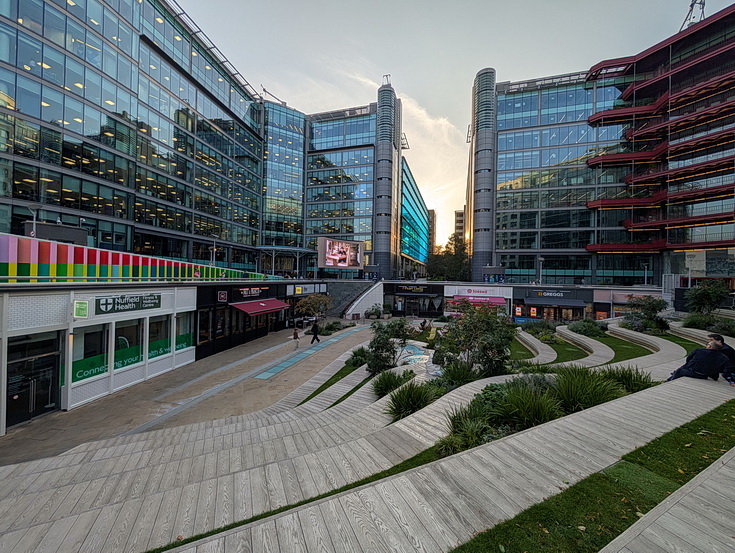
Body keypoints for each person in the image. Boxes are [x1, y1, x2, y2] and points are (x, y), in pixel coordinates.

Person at [666, 341, 731, 381]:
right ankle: (673, 375)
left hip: (696, 372)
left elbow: (688, 359)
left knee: (680, 371)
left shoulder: (699, 351)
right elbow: (726, 369)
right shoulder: (724, 357)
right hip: (707, 375)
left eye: (707, 344)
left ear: (710, 346)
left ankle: (669, 380)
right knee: (684, 367)